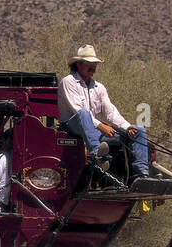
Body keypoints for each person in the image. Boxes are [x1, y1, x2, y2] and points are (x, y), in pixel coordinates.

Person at [58, 45, 150, 186]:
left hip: (94, 130)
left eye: (94, 64)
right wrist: (100, 126)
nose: (93, 67)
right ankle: (98, 155)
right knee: (83, 113)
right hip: (72, 127)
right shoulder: (68, 82)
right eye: (89, 64)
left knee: (139, 131)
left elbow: (110, 112)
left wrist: (127, 127)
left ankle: (141, 176)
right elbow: (78, 109)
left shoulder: (98, 87)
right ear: (79, 64)